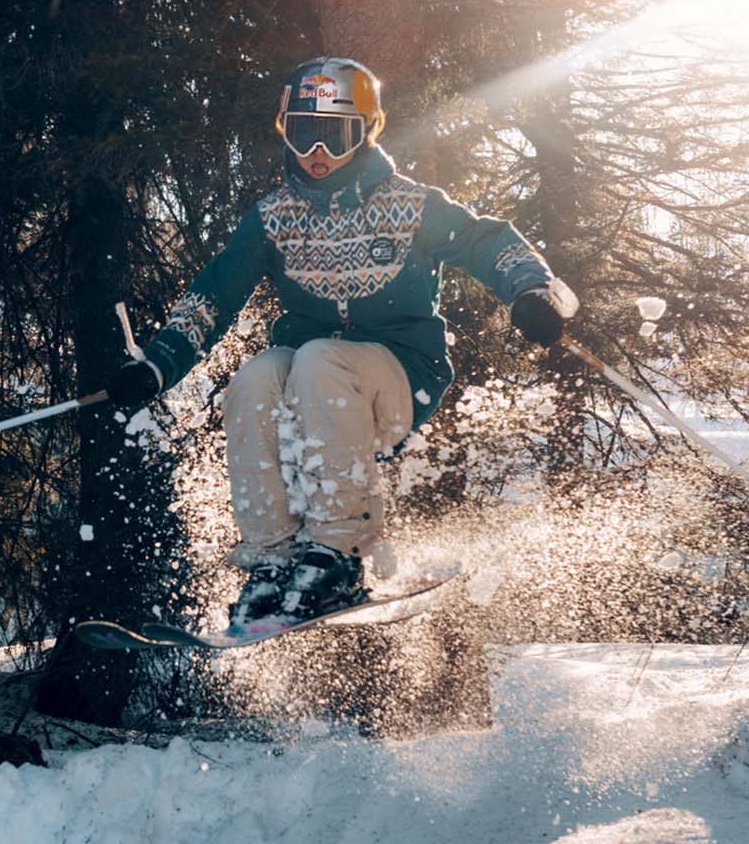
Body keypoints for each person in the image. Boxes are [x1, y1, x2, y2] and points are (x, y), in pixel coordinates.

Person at [104, 56, 576, 626]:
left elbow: (487, 241)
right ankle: (272, 560)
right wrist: (157, 365)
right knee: (255, 377)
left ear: (367, 131)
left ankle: (338, 553)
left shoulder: (409, 205)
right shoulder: (273, 217)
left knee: (317, 359)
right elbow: (214, 293)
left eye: (336, 135)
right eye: (306, 134)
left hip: (400, 378)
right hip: (314, 384)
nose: (318, 154)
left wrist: (531, 292)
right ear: (287, 130)